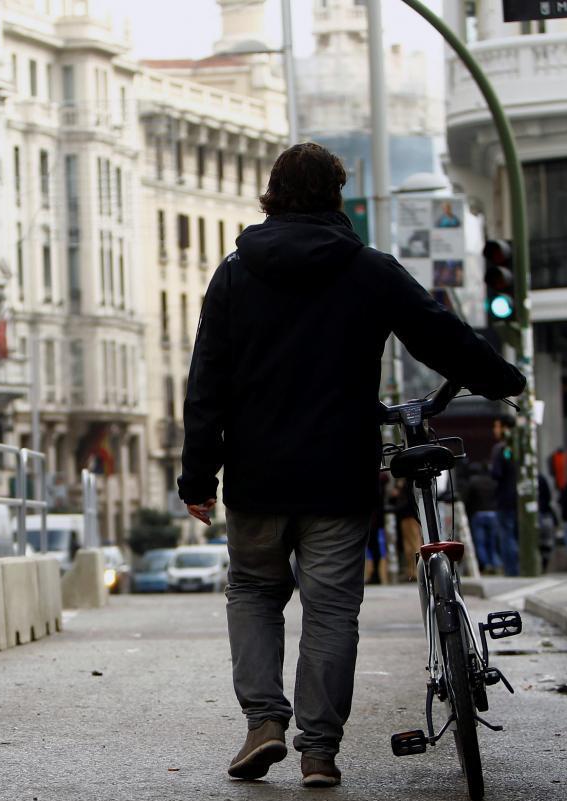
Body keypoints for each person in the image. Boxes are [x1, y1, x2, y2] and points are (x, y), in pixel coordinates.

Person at [175, 142, 525, 788]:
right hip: (338, 478)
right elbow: (440, 334)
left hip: (255, 480)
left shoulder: (233, 274)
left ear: (271, 198)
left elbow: (207, 384)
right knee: (332, 610)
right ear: (337, 198)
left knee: (253, 592)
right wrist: (505, 378)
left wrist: (198, 476)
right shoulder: (367, 271)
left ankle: (263, 723)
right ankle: (318, 750)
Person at [489, 418, 521, 576]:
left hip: (505, 499)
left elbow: (496, 473)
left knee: (506, 536)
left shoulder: (500, 449)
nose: (494, 430)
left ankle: (512, 570)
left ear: (504, 429)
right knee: (515, 534)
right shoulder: (518, 447)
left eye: (496, 426)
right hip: (517, 499)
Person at [463, 462, 501, 574]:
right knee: (492, 542)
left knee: (480, 542)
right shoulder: (494, 482)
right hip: (493, 513)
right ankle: (495, 563)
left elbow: (467, 498)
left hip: (478, 513)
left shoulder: (473, 482)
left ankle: (486, 564)